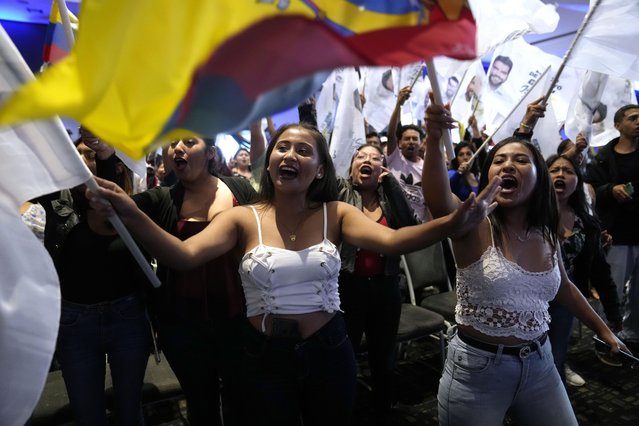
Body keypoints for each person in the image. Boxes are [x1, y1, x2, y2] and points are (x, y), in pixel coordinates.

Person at [87, 122, 500, 426]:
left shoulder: (336, 214)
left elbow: (395, 241)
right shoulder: (242, 218)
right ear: (269, 165)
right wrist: (129, 210)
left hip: (328, 351)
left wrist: (454, 223)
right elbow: (182, 254)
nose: (290, 155)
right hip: (262, 356)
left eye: (303, 151)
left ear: (320, 170)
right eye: (282, 148)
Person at [421, 96, 627, 426]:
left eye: (520, 159)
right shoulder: (474, 222)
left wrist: (605, 330)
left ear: (537, 177)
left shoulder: (547, 231)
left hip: (540, 364)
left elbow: (565, 289)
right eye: (499, 160)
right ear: (489, 173)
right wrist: (432, 136)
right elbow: (437, 198)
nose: (508, 165)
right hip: (478, 373)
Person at [93, 135, 256, 426]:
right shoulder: (162, 198)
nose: (177, 148)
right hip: (183, 326)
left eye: (189, 142)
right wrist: (106, 157)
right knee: (200, 404)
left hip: (239, 320)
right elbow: (112, 214)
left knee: (243, 401)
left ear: (211, 153)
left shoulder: (239, 190)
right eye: (173, 143)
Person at [55, 135, 152, 426]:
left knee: (129, 411)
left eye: (91, 154)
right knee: (87, 416)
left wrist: (105, 152)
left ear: (118, 168)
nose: (84, 159)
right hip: (75, 324)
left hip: (127, 318)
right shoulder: (64, 207)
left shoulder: (128, 206)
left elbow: (106, 198)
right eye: (79, 154)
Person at [337, 144, 417, 425]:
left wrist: (392, 184)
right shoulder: (341, 192)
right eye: (361, 156)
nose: (368, 160)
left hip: (384, 288)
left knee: (383, 357)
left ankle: (382, 411)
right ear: (351, 166)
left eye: (375, 158)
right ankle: (344, 410)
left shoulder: (388, 197)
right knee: (344, 355)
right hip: (347, 287)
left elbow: (410, 227)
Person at [546, 154, 622, 385]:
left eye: (568, 171)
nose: (561, 174)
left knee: (555, 359)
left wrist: (613, 310)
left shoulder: (587, 224)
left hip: (565, 300)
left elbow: (599, 269)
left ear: (578, 181)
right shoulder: (526, 215)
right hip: (525, 299)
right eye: (554, 170)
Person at [586, 104, 639, 352]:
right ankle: (605, 338)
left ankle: (633, 335)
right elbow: (590, 190)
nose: (638, 121)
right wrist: (611, 190)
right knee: (612, 291)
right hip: (616, 235)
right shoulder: (603, 158)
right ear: (617, 125)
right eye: (633, 118)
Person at [386, 86, 427, 222]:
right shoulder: (395, 159)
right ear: (399, 143)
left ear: (421, 143)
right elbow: (391, 134)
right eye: (407, 138)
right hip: (393, 222)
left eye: (415, 139)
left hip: (419, 226)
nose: (411, 142)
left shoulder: (426, 167)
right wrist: (398, 104)